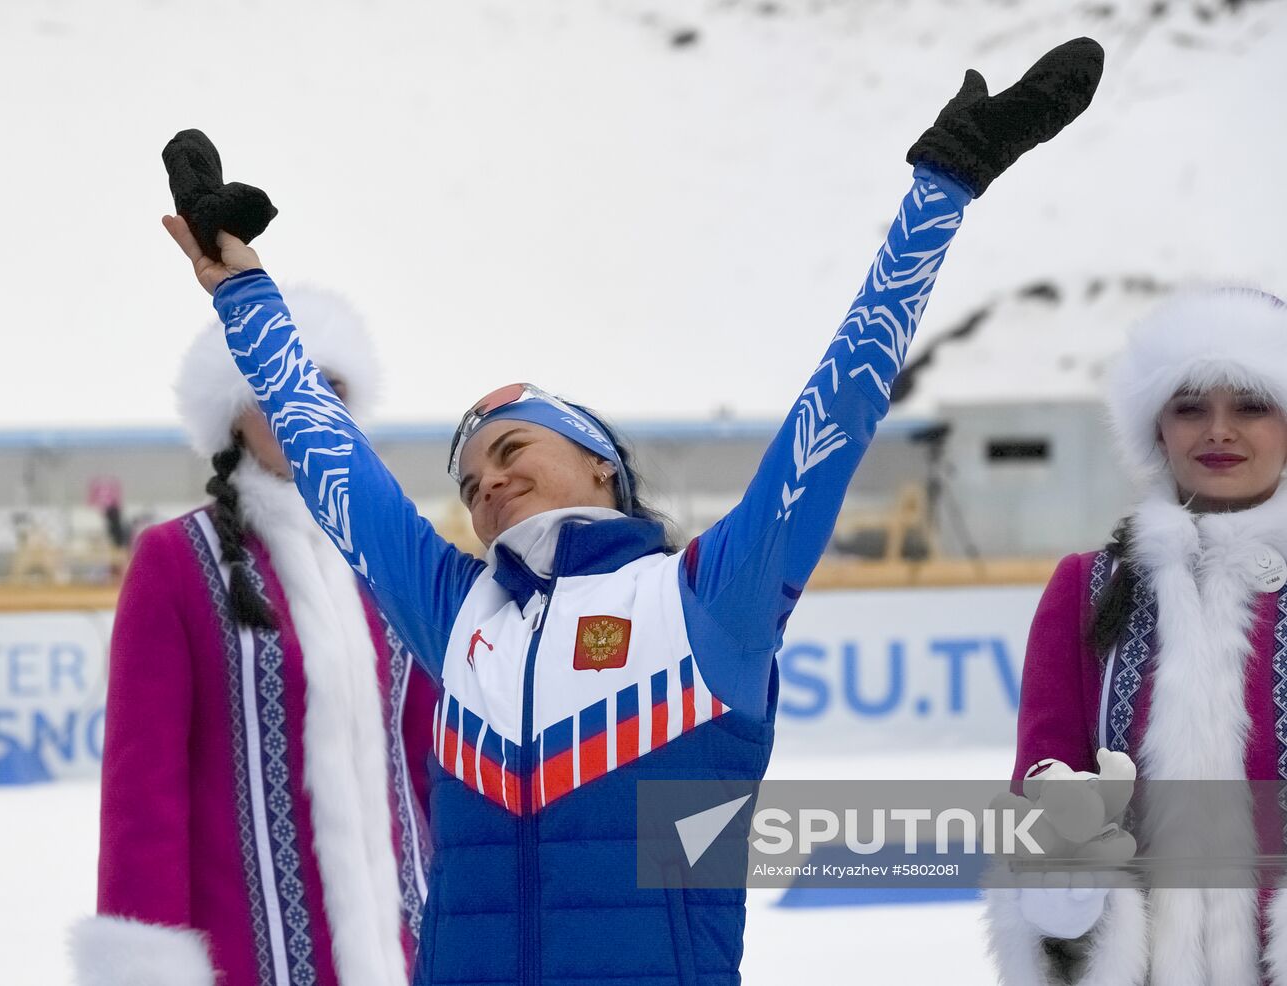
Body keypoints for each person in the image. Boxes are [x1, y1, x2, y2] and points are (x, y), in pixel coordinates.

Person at [163, 38, 1104, 986]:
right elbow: (338, 471)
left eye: (511, 449)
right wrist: (245, 295)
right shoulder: (461, 618)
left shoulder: (701, 600)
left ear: (600, 463)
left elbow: (841, 407)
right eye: (467, 480)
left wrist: (939, 190)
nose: (485, 484)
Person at [69, 288, 437, 986]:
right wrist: (149, 965)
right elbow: (143, 791)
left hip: (412, 946)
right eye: (281, 388)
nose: (307, 408)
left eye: (328, 388)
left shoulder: (388, 556)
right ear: (236, 415)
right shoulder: (177, 561)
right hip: (246, 950)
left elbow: (434, 760)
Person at [987, 289, 1287, 984]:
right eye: (1189, 407)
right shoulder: (1086, 591)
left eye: (1250, 404)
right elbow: (1040, 788)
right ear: (1157, 428)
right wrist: (1062, 889)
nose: (1218, 430)